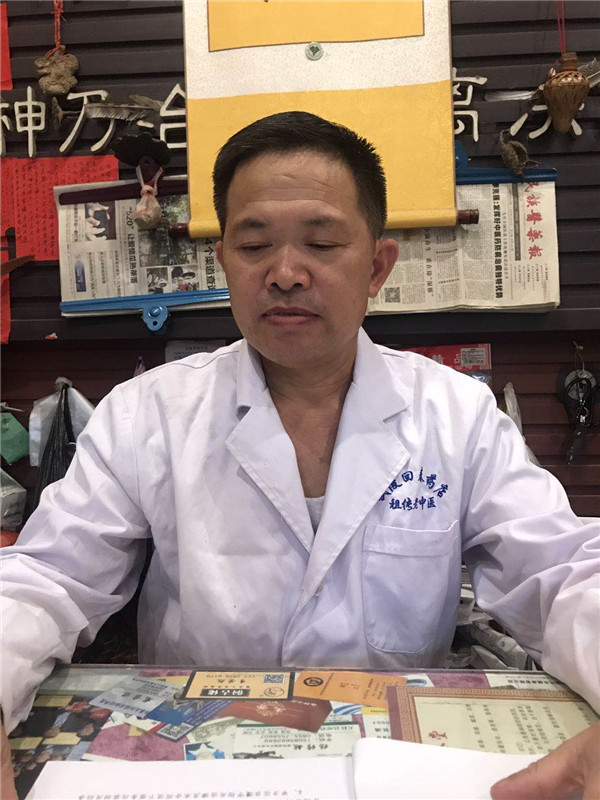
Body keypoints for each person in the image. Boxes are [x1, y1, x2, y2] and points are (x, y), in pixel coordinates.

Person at [1, 112, 598, 799]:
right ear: (224, 261)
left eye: (322, 243)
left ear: (377, 266)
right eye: (254, 245)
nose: (285, 274)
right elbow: (45, 579)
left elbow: (563, 572)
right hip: (200, 765)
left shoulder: (456, 415)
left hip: (394, 769)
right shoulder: (148, 413)